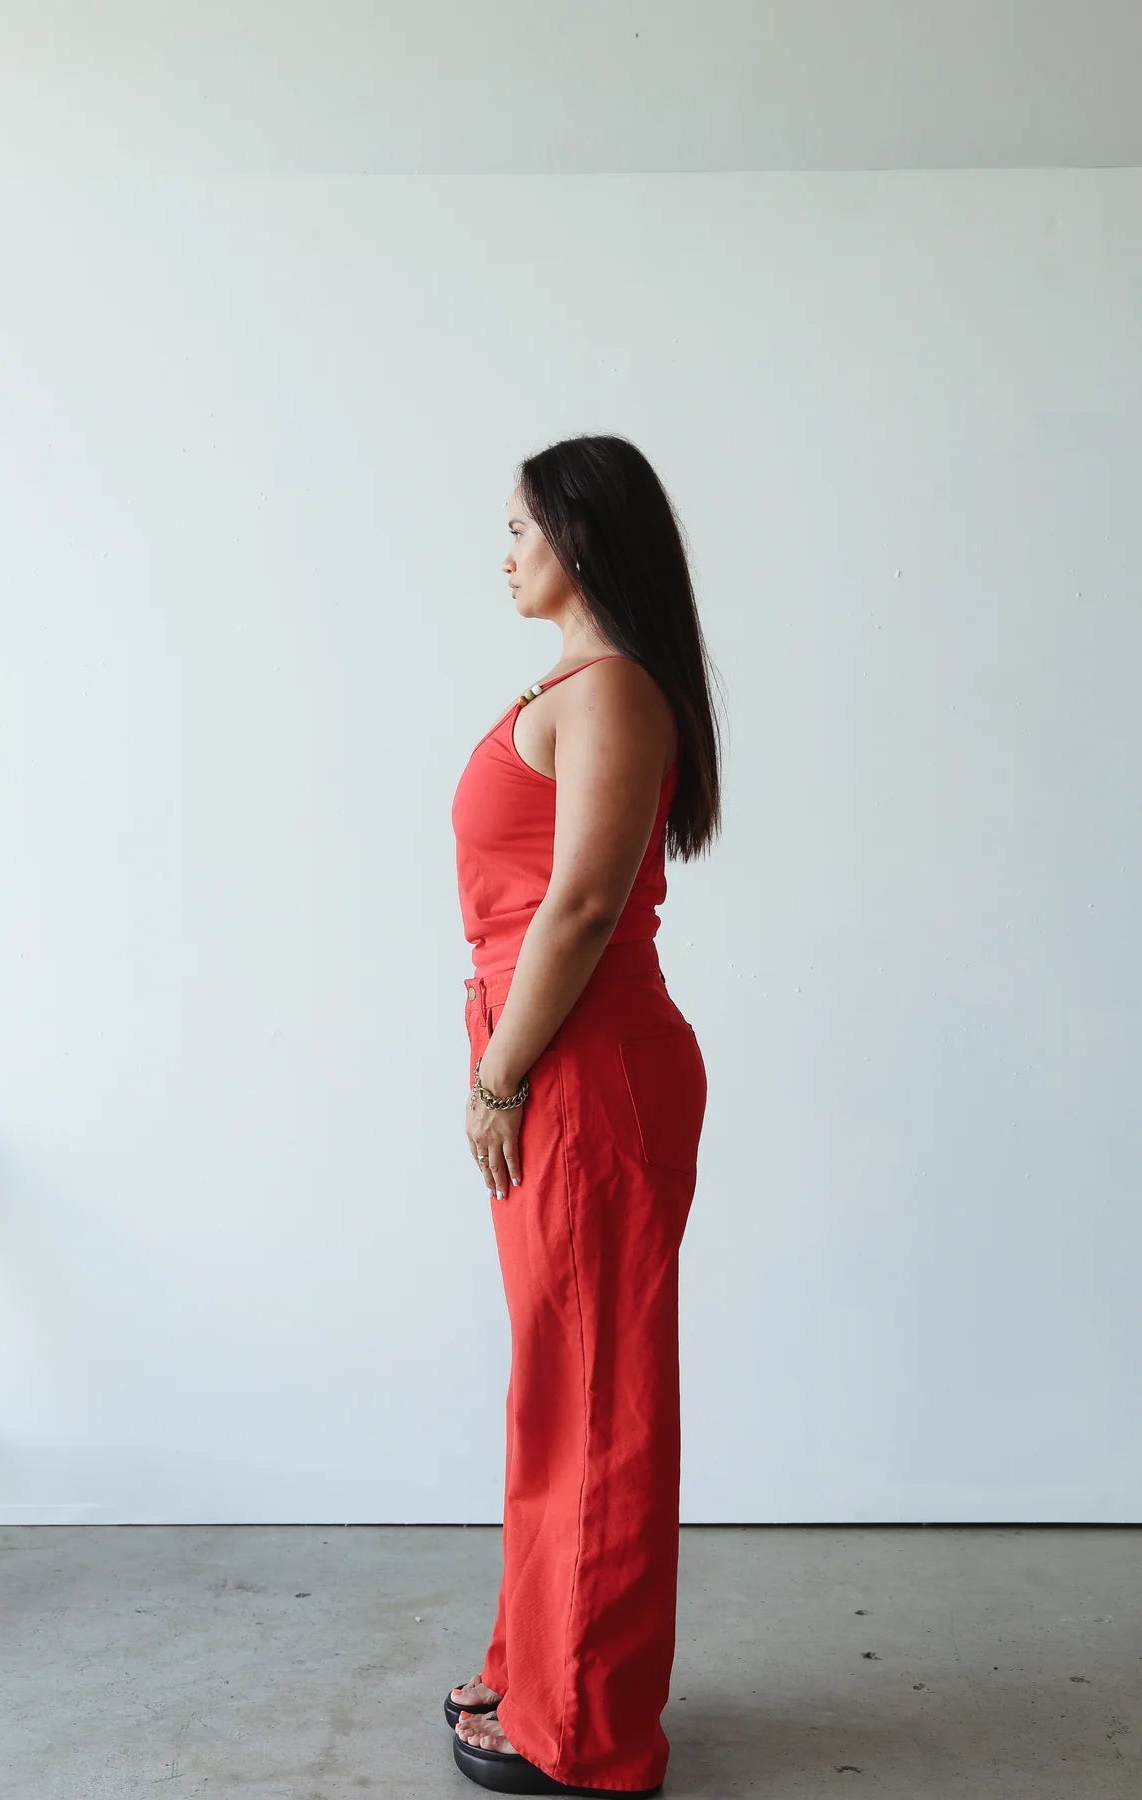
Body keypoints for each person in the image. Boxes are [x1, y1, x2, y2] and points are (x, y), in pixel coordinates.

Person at [447, 433, 722, 1796]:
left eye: (519, 527)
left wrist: (500, 1076)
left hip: (581, 1070)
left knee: (598, 1399)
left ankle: (590, 1733)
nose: (503, 551)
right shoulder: (579, 684)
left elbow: (582, 907)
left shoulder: (611, 690)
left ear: (580, 535)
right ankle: (537, 1666)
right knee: (562, 1388)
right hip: (554, 1056)